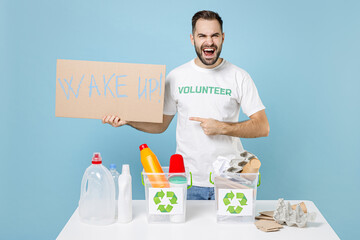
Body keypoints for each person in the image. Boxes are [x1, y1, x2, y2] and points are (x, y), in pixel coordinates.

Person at [102, 10, 269, 200]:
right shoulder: (176, 76)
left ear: (222, 38)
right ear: (192, 39)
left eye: (215, 35)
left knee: (232, 230)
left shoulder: (239, 77)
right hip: (186, 181)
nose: (209, 42)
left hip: (230, 181)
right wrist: (129, 120)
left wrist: (221, 127)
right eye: (202, 36)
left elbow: (262, 127)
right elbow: (160, 125)